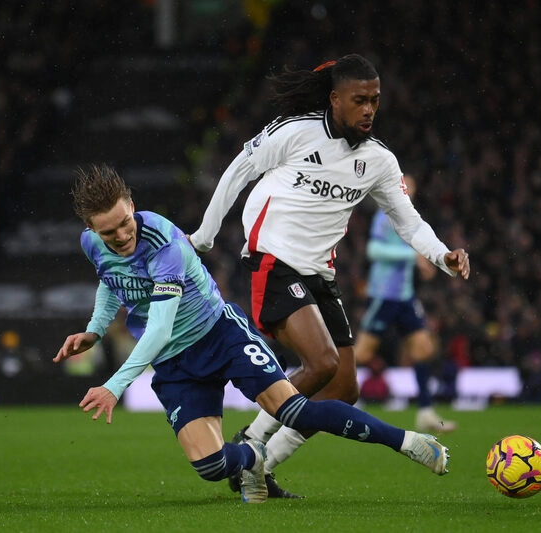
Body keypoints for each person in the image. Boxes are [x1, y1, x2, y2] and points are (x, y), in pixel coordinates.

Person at [53, 164, 452, 504]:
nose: (122, 236)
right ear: (91, 229)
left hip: (220, 335)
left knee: (296, 411)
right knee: (210, 467)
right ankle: (254, 459)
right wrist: (95, 329)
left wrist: (116, 384)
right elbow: (110, 279)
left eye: (125, 223)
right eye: (109, 233)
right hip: (176, 364)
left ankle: (409, 442)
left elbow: (158, 328)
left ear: (132, 207)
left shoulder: (164, 244)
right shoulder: (93, 244)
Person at [189, 53, 470, 498]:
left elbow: (408, 221)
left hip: (320, 273)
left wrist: (442, 255)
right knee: (321, 363)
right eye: (359, 100)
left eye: (375, 101)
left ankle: (261, 464)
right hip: (273, 260)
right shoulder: (294, 131)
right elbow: (239, 169)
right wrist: (204, 236)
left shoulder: (379, 161)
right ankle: (250, 445)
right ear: (335, 99)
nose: (369, 110)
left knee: (344, 386)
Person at [354, 173, 457, 433]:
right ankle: (333, 400)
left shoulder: (410, 219)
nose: (407, 189)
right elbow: (373, 251)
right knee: (362, 353)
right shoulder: (385, 215)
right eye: (404, 184)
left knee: (423, 347)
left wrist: (428, 262)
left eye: (411, 185)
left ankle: (424, 411)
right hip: (383, 295)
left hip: (405, 296)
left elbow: (419, 247)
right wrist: (413, 257)